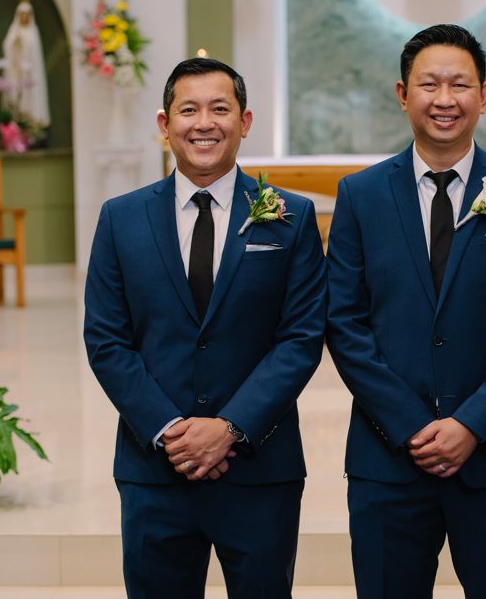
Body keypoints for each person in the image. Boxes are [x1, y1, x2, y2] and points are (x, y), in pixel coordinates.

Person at [325, 25, 486, 599]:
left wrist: (471, 424)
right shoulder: (359, 196)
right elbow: (345, 323)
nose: (445, 99)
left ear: (485, 95)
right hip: (387, 459)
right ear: (402, 94)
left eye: (460, 84)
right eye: (429, 84)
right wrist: (409, 424)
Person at [83, 58, 326, 598]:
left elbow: (302, 337)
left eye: (220, 108)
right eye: (188, 110)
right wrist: (170, 428)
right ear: (164, 123)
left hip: (259, 468)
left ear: (246, 121)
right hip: (155, 468)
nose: (204, 123)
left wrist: (230, 426)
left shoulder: (291, 216)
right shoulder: (120, 218)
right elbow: (106, 340)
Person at [1, 0, 49, 127]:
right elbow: (7, 46)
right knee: (16, 99)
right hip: (17, 72)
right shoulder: (14, 30)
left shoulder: (33, 31)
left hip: (29, 73)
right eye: (21, 15)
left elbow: (35, 52)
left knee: (30, 98)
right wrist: (16, 42)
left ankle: (32, 122)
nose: (24, 17)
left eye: (26, 15)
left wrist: (25, 44)